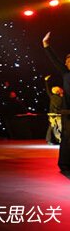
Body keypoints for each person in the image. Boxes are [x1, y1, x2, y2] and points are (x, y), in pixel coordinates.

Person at [42, 32, 70, 171]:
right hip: (68, 112)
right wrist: (46, 45)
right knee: (67, 137)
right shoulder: (66, 73)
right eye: (68, 61)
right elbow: (55, 60)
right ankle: (65, 163)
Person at [44, 75, 63, 145]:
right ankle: (51, 140)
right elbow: (47, 90)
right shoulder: (55, 97)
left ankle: (56, 140)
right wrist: (46, 81)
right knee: (54, 127)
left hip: (57, 114)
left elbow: (47, 90)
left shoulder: (56, 97)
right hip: (54, 114)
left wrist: (46, 81)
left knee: (56, 127)